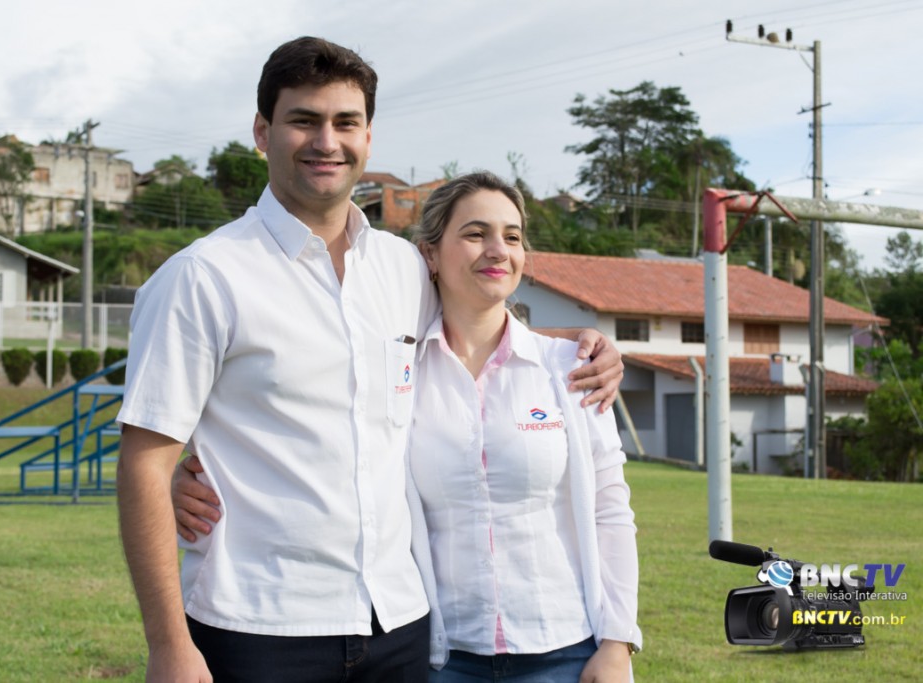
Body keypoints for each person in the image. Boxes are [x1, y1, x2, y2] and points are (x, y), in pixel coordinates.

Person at [118, 36, 624, 683]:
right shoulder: (203, 277)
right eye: (304, 120)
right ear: (262, 132)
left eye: (345, 122)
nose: (326, 141)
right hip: (258, 624)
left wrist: (584, 342)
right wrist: (168, 644)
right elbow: (144, 460)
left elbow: (478, 319)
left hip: (398, 624)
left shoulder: (402, 268)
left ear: (368, 138)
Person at [174, 172, 642, 682]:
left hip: (564, 650)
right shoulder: (398, 370)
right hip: (443, 656)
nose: (497, 250)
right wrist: (194, 473)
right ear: (430, 256)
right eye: (475, 233)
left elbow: (610, 509)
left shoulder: (572, 368)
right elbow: (318, 420)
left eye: (512, 237)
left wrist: (617, 642)